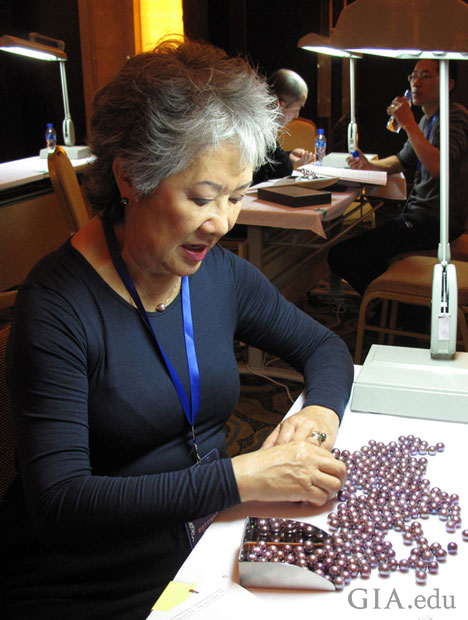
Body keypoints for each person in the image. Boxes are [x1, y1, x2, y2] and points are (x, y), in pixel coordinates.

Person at [0, 39, 353, 620]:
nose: (222, 224)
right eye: (202, 198)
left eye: (237, 197)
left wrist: (317, 417)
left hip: (200, 544)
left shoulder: (218, 275)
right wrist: (240, 478)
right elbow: (61, 505)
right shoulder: (57, 306)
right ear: (131, 177)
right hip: (90, 580)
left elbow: (324, 347)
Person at [327, 59, 468, 296]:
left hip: (436, 223)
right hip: (419, 218)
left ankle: (391, 305)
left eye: (425, 76)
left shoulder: (454, 117)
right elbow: (402, 160)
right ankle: (395, 305)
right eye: (413, 76)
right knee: (364, 250)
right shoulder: (427, 119)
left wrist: (409, 123)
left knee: (341, 254)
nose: (416, 83)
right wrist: (368, 165)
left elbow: (437, 167)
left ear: (448, 84)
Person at [252, 68, 314, 184]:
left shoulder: (257, 117)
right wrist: (287, 161)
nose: (297, 115)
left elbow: (269, 160)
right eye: (298, 108)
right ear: (281, 105)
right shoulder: (259, 127)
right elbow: (283, 170)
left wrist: (288, 155)